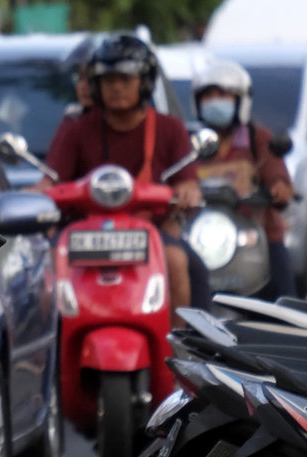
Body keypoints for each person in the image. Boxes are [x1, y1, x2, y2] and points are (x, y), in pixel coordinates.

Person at [39, 34, 211, 327]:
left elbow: (187, 183)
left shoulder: (170, 129)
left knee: (181, 262)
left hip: (152, 234)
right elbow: (50, 182)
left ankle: (178, 346)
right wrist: (33, 197)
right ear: (97, 85)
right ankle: (55, 347)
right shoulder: (76, 128)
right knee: (48, 265)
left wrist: (187, 191)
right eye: (108, 80)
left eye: (125, 79)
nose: (116, 87)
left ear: (144, 82)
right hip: (83, 237)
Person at [192, 58, 297, 298]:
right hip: (205, 235)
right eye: (208, 96)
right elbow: (176, 178)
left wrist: (279, 188)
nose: (215, 101)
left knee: (285, 296)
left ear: (240, 100)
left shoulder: (257, 137)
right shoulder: (192, 142)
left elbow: (277, 174)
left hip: (257, 234)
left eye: (223, 95)